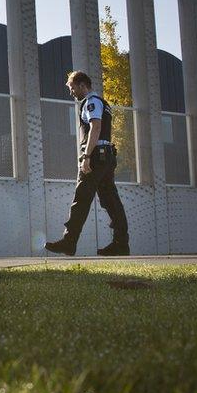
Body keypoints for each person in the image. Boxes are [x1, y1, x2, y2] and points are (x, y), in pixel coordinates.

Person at [45, 71, 130, 256]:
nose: (71, 92)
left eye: (72, 88)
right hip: (106, 156)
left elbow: (96, 127)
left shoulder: (91, 102)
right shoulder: (103, 103)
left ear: (82, 85)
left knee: (81, 199)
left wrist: (86, 156)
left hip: (96, 157)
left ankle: (69, 242)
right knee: (111, 201)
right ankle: (121, 244)